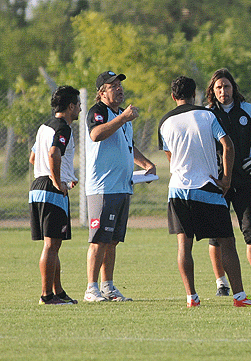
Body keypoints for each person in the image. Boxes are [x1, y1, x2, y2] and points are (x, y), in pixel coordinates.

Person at [158, 76, 251, 308]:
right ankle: (239, 297)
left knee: (183, 245)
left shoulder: (165, 122)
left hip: (178, 190)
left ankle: (192, 298)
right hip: (207, 188)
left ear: (173, 97)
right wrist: (226, 178)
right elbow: (228, 145)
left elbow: (170, 156)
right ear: (195, 94)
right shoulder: (208, 115)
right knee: (227, 242)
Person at [84, 71, 156, 302]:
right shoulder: (98, 112)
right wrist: (122, 119)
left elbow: (127, 145)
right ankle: (91, 289)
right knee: (99, 240)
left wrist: (145, 163)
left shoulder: (120, 116)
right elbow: (96, 134)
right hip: (102, 187)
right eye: (112, 86)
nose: (119, 88)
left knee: (112, 241)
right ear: (101, 92)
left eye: (119, 85)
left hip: (122, 186)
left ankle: (108, 287)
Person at [205, 68, 251, 297]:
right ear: (212, 91)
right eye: (218, 87)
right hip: (217, 182)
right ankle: (221, 283)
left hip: (244, 180)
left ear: (233, 87)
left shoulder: (249, 111)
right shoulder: (206, 114)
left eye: (226, 86)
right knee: (216, 234)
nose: (223, 91)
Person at [29, 85, 81, 305]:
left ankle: (58, 292)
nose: (80, 108)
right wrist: (57, 181)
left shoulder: (44, 127)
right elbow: (53, 153)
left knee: (53, 245)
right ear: (70, 106)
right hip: (51, 189)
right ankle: (46, 296)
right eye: (78, 104)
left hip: (37, 186)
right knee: (51, 246)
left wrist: (64, 176)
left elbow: (33, 158)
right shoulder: (64, 127)